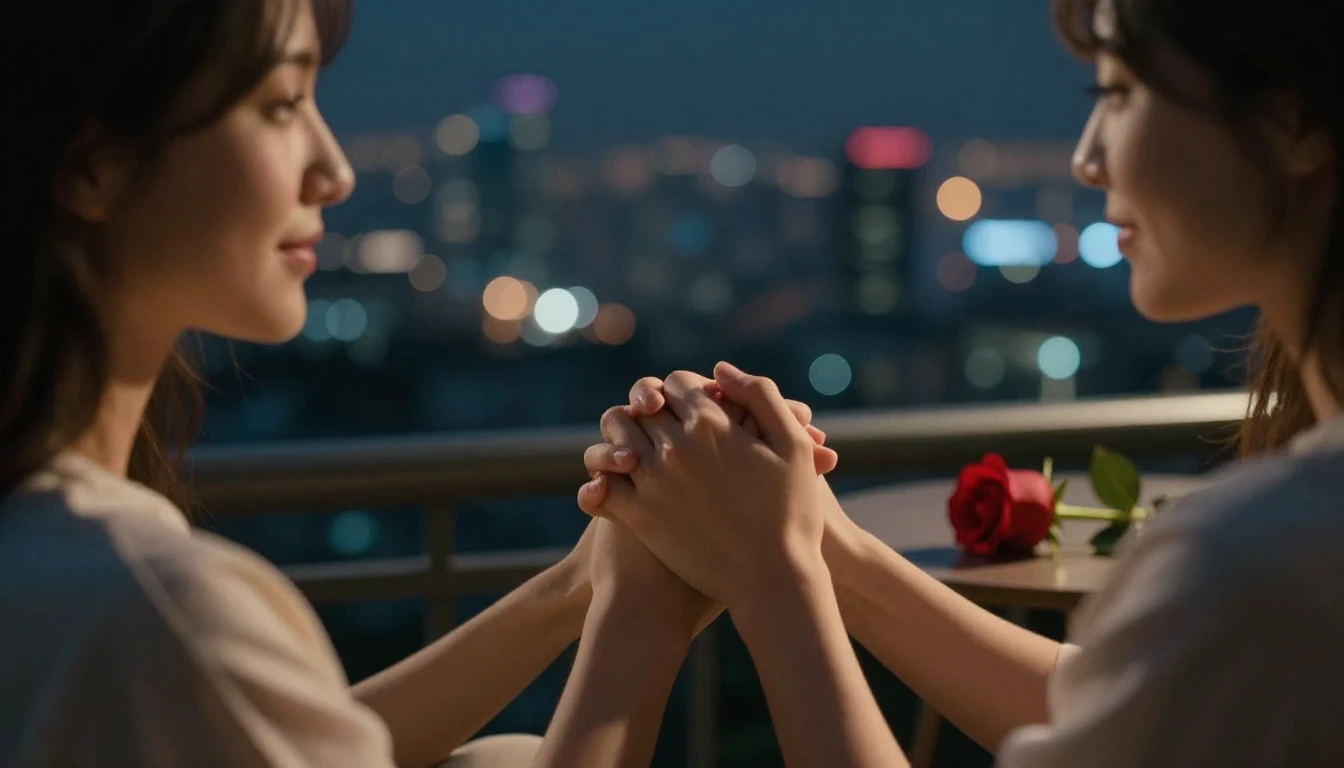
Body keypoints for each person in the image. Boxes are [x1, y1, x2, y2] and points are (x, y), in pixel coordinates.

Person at [0, 2, 841, 767]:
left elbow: (307, 743)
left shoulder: (62, 566)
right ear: (91, 163)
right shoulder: (154, 613)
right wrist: (641, 612)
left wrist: (578, 586)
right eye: (282, 105)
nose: (333, 171)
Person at [570, 0, 1344, 765]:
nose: (1086, 158)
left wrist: (772, 579)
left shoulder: (1266, 562)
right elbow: (1141, 721)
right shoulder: (1281, 569)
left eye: (1118, 95)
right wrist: (820, 542)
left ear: (1293, 119)